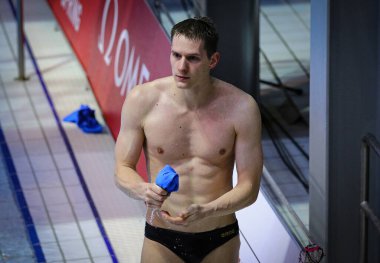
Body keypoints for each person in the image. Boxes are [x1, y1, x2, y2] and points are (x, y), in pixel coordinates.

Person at [114, 16, 263, 263]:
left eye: (192, 58)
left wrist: (208, 210)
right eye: (176, 55)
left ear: (213, 60)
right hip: (161, 236)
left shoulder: (242, 108)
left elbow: (250, 188)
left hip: (219, 236)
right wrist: (143, 189)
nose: (181, 67)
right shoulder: (142, 100)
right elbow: (122, 169)